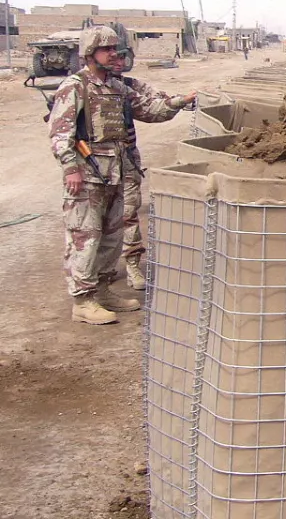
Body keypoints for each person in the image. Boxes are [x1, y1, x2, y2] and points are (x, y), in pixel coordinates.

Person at [49, 26, 196, 324]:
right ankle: (82, 300)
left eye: (115, 49)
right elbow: (59, 133)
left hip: (116, 175)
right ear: (90, 54)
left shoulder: (117, 88)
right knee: (84, 239)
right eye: (107, 50)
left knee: (112, 239)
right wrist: (71, 168)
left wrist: (180, 101)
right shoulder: (75, 87)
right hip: (88, 178)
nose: (113, 54)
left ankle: (102, 291)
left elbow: (151, 110)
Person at [110, 48, 193, 290]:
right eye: (112, 56)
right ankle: (96, 275)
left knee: (128, 215)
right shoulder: (80, 87)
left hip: (125, 163)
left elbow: (154, 104)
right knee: (94, 224)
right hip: (92, 168)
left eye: (121, 57)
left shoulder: (128, 87)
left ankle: (133, 266)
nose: (118, 61)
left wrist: (180, 101)